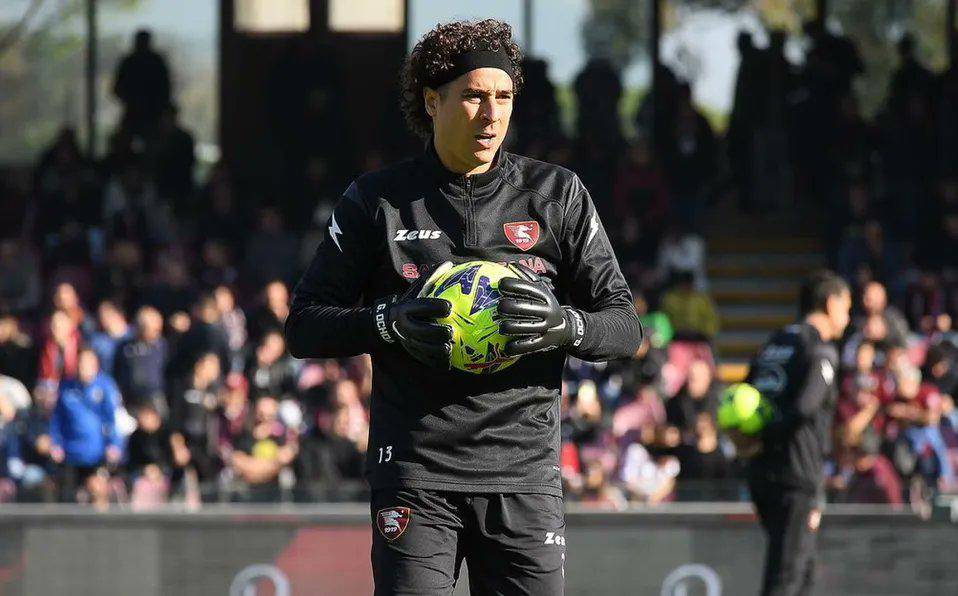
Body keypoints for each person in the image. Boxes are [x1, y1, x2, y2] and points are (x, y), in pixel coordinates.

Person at [285, 19, 642, 595]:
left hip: (523, 475)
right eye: (474, 96)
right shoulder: (377, 201)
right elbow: (304, 326)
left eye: (504, 97)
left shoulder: (557, 194)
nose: (491, 114)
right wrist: (386, 323)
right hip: (416, 474)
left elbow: (625, 326)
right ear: (432, 101)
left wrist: (563, 325)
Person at [744, 270, 851, 596]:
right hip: (796, 475)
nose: (848, 319)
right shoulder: (819, 350)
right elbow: (805, 408)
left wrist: (756, 438)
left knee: (804, 574)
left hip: (762, 471)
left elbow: (744, 397)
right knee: (787, 578)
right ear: (830, 303)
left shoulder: (774, 343)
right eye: (846, 308)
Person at [49, 349, 123, 503]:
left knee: (98, 492)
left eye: (88, 363)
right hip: (70, 453)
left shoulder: (106, 386)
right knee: (67, 497)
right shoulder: (66, 387)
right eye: (81, 363)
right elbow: (57, 419)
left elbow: (113, 418)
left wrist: (114, 445)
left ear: (96, 365)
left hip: (97, 454)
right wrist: (55, 443)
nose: (84, 367)